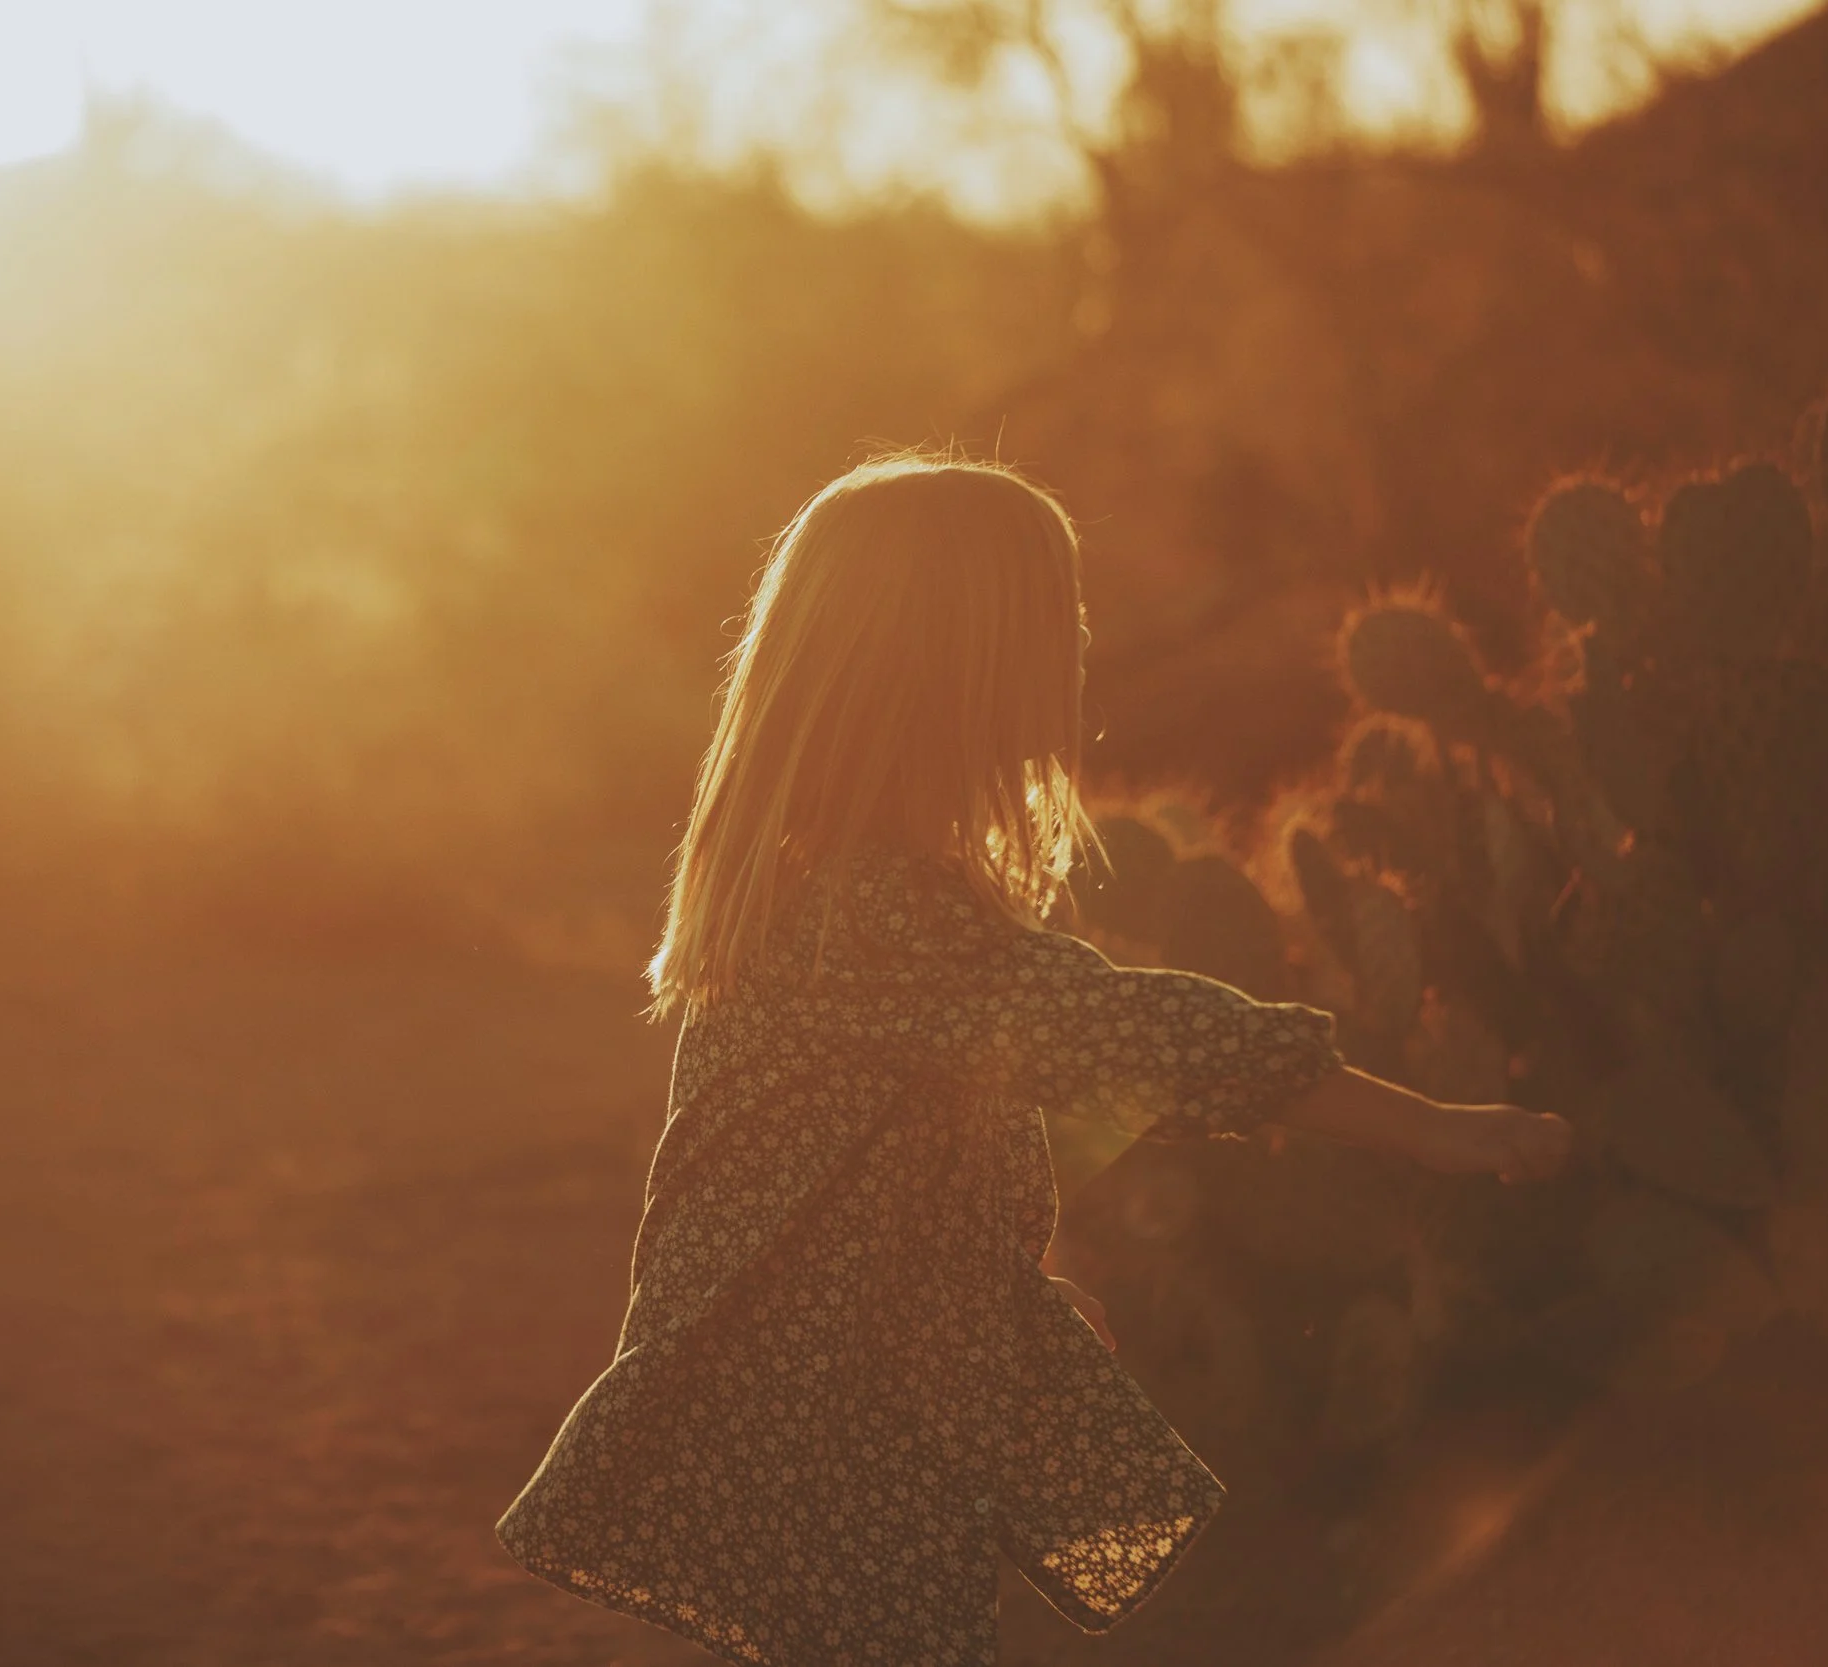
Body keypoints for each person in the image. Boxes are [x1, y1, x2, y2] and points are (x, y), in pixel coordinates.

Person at [497, 456, 1571, 1666]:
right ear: (956, 669)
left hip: (807, 1400)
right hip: (832, 1432)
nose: (1070, 649)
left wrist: (974, 1284)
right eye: (1045, 624)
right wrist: (1435, 1124)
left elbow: (818, 1169)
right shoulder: (880, 909)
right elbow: (1140, 1033)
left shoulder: (820, 891)